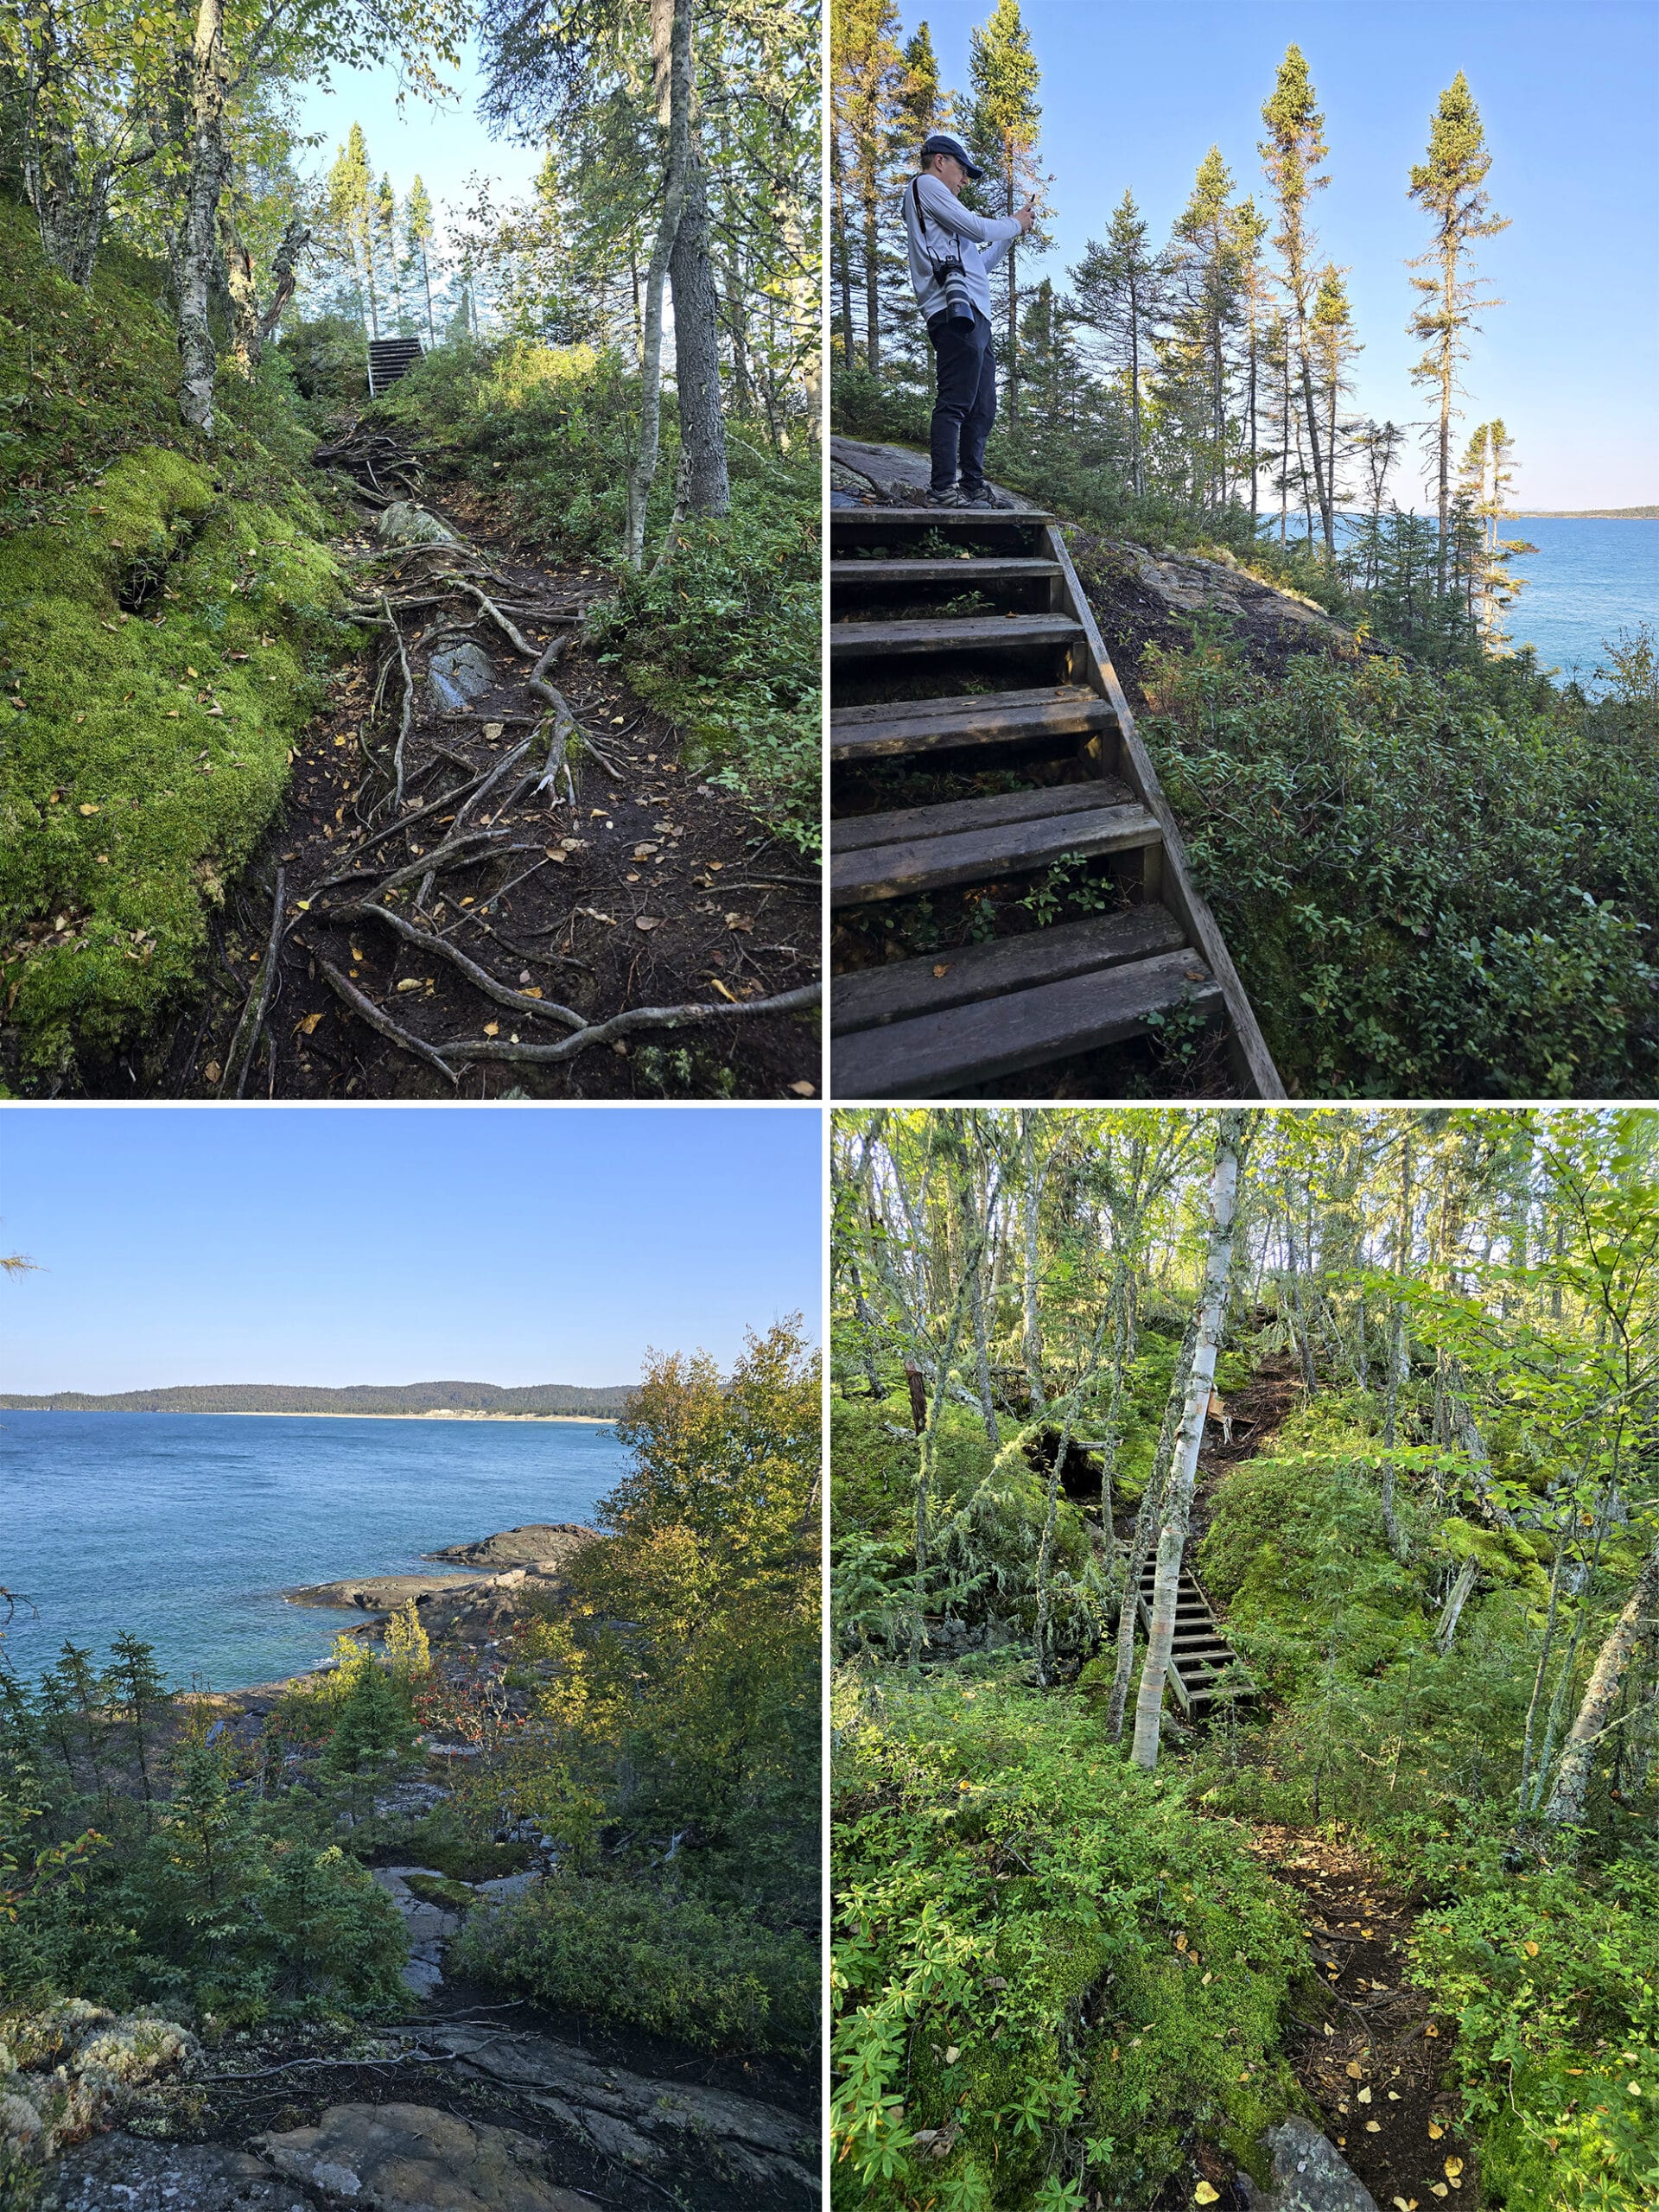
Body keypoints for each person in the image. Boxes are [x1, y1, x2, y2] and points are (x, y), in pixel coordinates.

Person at [902, 130, 1034, 509]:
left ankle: (973, 486)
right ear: (940, 161)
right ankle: (943, 488)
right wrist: (1012, 222)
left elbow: (982, 263)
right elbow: (977, 227)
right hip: (951, 312)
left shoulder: (945, 219)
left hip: (975, 314)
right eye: (962, 172)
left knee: (982, 405)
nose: (963, 182)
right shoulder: (925, 185)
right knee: (956, 401)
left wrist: (1014, 232)